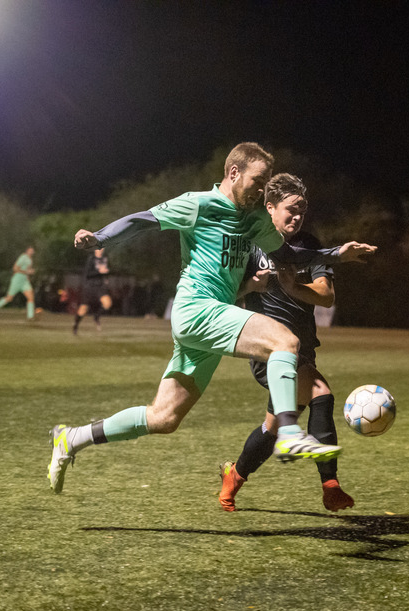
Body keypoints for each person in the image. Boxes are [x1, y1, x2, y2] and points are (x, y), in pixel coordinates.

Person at [47, 142, 377, 493]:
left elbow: (289, 255)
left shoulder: (254, 219)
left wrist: (337, 255)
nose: (262, 189)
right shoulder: (198, 204)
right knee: (285, 341)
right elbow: (142, 220)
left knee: (164, 417)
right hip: (195, 309)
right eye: (258, 180)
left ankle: (72, 438)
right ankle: (289, 432)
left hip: (215, 316)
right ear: (234, 173)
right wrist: (100, 238)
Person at [219, 173, 353, 513]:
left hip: (302, 349)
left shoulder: (309, 246)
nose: (297, 217)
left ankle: (234, 476)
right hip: (268, 348)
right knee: (321, 393)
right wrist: (251, 285)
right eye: (291, 210)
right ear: (270, 208)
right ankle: (331, 486)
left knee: (273, 427)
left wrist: (295, 288)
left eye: (302, 211)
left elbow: (327, 296)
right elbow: (225, 296)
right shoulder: (250, 245)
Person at [73, 248, 112, 333]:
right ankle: (75, 326)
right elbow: (87, 274)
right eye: (99, 248)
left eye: (102, 248)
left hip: (100, 286)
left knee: (107, 304)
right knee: (83, 309)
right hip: (89, 287)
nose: (101, 250)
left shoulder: (105, 259)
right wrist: (99, 271)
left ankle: (96, 316)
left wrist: (107, 276)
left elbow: (107, 270)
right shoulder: (91, 259)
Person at [0, 246, 36, 320]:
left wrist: (28, 276)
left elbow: (27, 271)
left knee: (31, 297)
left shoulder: (30, 260)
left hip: (24, 281)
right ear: (27, 250)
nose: (31, 252)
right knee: (9, 298)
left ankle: (30, 316)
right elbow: (15, 268)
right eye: (30, 250)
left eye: (32, 251)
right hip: (17, 280)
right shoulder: (23, 257)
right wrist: (26, 272)